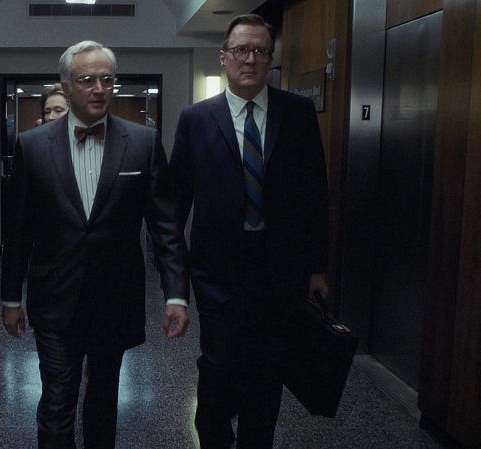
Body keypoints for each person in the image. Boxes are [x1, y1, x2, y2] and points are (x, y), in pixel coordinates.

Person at [0, 40, 190, 449]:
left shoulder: (142, 142)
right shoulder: (33, 146)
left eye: (107, 79)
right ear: (67, 85)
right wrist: (11, 298)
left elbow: (166, 225)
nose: (99, 88)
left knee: (104, 400)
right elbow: (18, 230)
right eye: (87, 79)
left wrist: (176, 294)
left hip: (115, 298)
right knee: (57, 402)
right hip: (55, 298)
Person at [168, 14, 329, 449]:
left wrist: (317, 267)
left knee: (267, 371)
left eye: (260, 50)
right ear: (223, 58)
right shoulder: (196, 119)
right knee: (219, 365)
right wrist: (174, 282)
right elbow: (175, 202)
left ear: (271, 59)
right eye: (241, 49)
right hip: (216, 271)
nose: (251, 59)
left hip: (280, 271)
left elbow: (315, 194)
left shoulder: (297, 113)